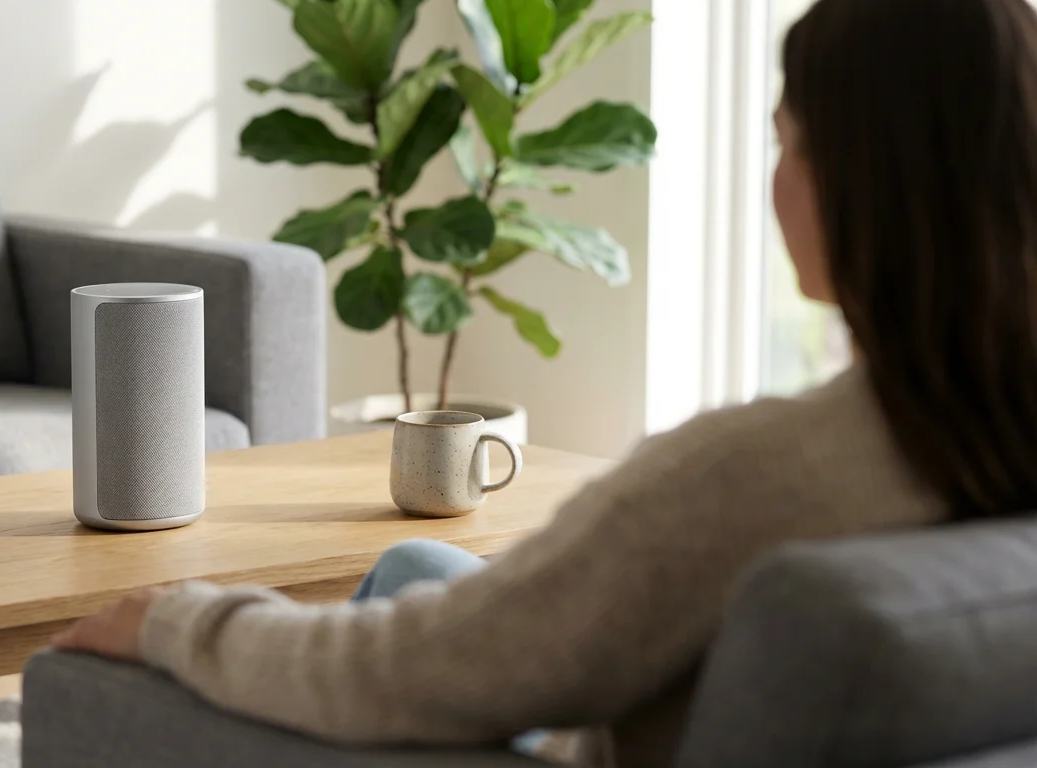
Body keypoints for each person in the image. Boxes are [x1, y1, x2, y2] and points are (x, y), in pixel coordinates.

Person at [51, 0, 1037, 764]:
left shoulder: (750, 477)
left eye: (789, 142)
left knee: (377, 619)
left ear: (867, 178)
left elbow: (402, 676)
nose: (774, 180)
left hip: (535, 730)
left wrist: (181, 621)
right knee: (406, 574)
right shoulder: (983, 434)